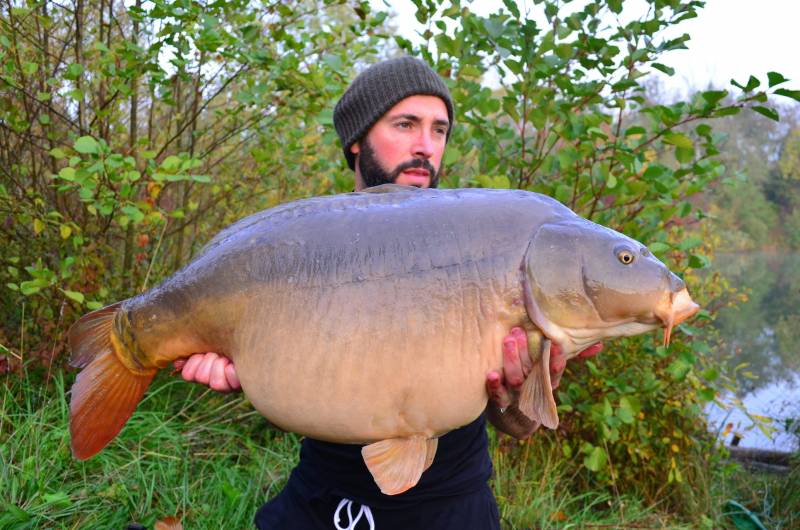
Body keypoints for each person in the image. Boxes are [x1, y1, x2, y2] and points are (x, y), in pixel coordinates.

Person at [176, 56, 602, 529]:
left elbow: (520, 425)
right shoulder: (304, 244)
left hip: (449, 505)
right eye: (406, 124)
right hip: (323, 492)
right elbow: (282, 377)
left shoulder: (479, 244)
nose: (426, 146)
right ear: (356, 140)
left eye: (439, 130)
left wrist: (518, 393)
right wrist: (238, 366)